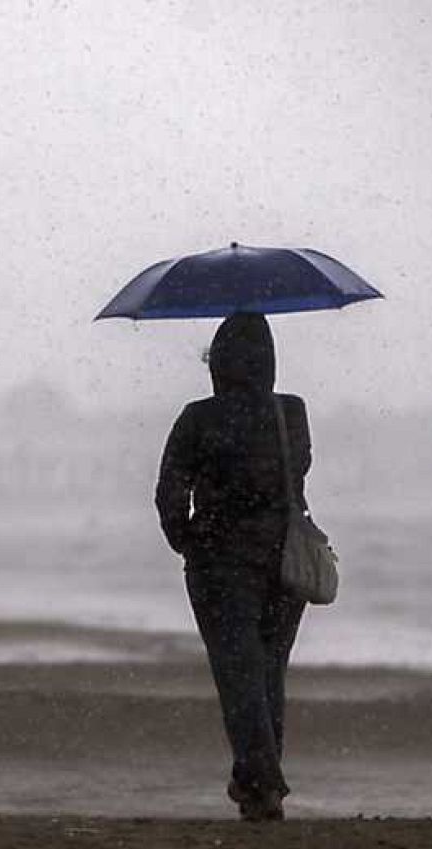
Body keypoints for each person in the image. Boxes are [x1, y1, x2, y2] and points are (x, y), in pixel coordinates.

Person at [155, 312, 311, 822]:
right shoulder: (291, 414)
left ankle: (263, 784)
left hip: (220, 561)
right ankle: (256, 784)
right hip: (283, 557)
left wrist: (188, 541)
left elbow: (169, 493)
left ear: (217, 362)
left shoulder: (198, 418)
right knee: (268, 673)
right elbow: (297, 473)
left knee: (238, 673)